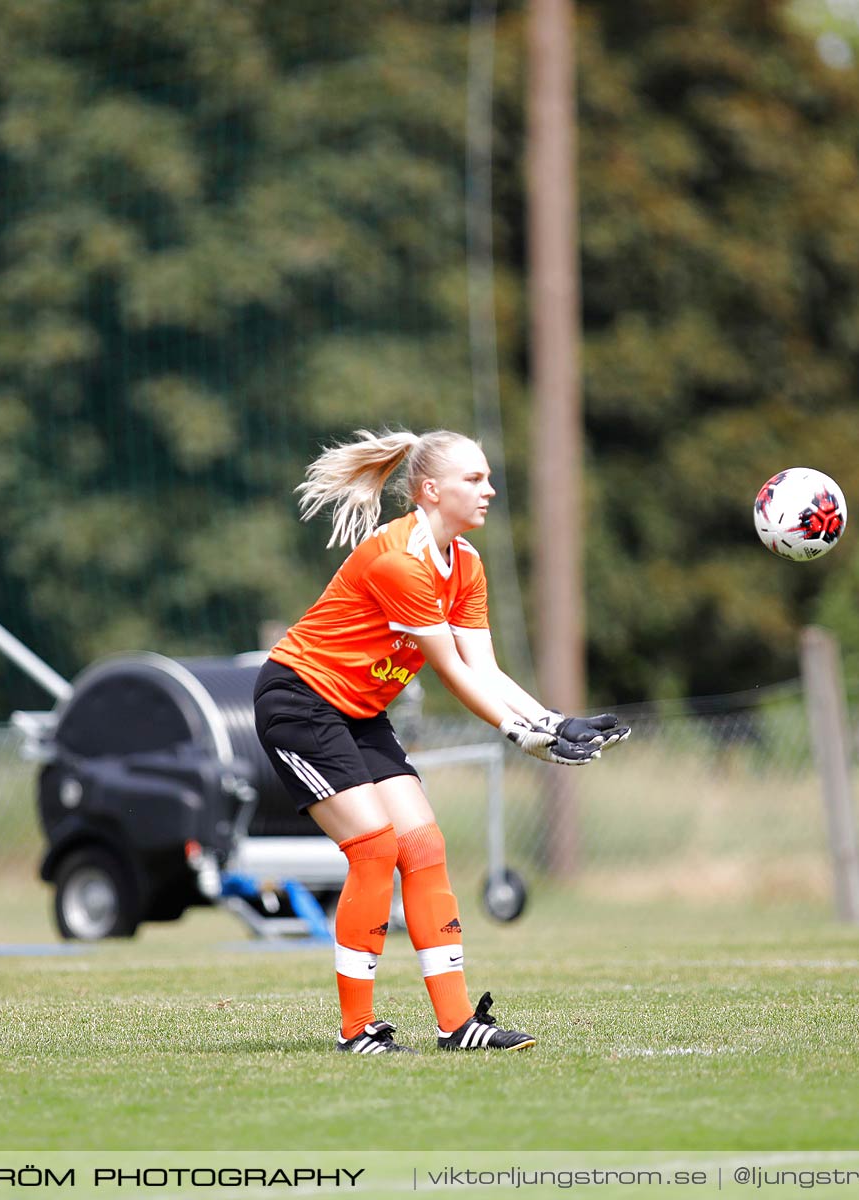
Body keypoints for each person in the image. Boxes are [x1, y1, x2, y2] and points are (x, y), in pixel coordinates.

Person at [253, 428, 628, 1054]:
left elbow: (485, 668)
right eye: (474, 479)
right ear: (430, 491)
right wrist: (518, 734)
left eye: (487, 478)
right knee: (373, 846)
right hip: (299, 702)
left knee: (423, 845)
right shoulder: (401, 560)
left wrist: (554, 721)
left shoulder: (468, 565)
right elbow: (451, 671)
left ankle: (457, 1025)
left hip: (359, 712)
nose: (490, 490)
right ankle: (357, 1032)